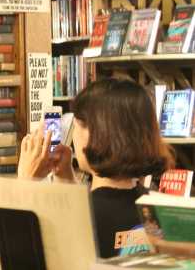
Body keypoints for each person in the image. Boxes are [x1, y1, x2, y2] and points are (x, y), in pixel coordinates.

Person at [18, 78, 175, 258]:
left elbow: (22, 256)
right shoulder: (161, 210)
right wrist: (66, 180)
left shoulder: (75, 219)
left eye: (77, 126)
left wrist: (25, 182)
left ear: (92, 135)